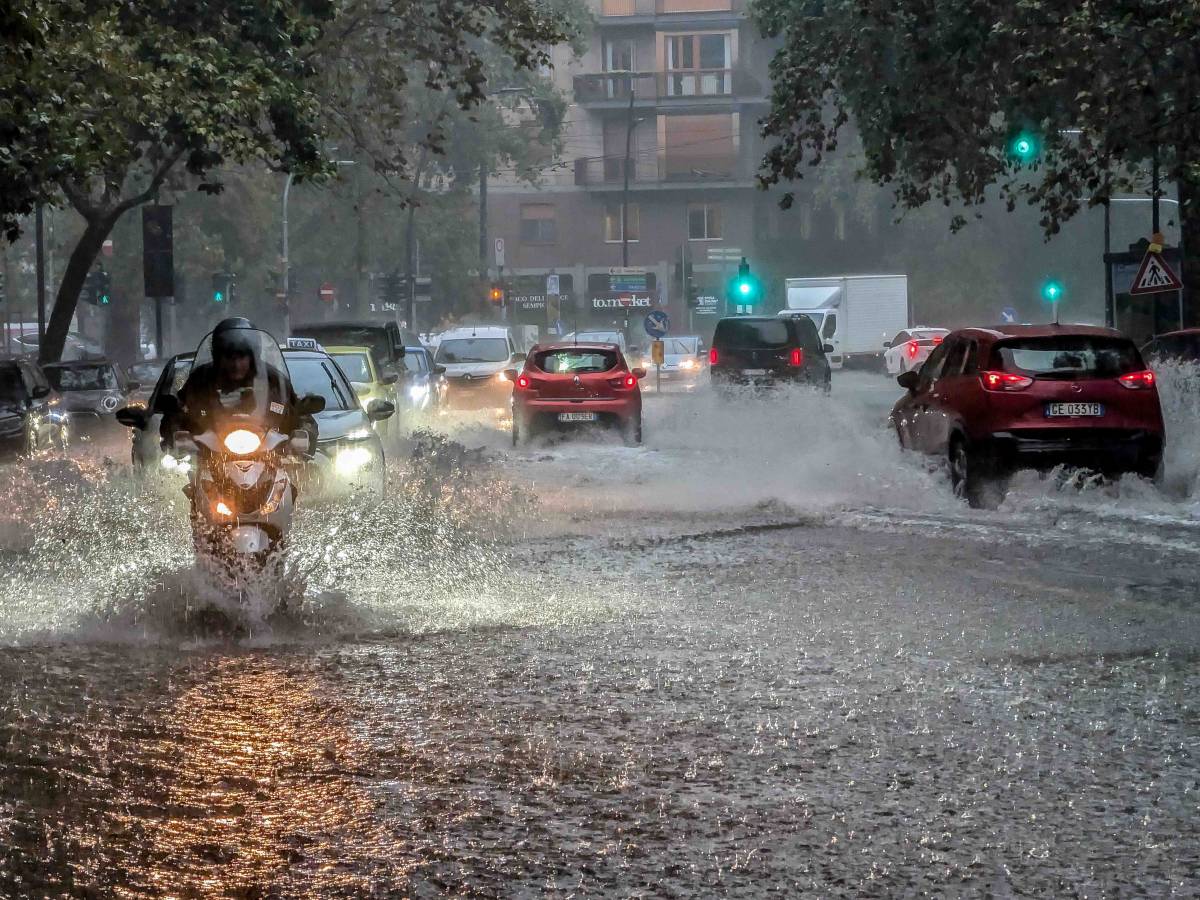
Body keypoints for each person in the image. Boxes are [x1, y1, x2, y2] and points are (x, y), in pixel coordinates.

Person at [162, 317, 315, 449]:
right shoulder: (200, 379)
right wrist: (178, 434)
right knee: (184, 481)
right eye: (229, 357)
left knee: (299, 478)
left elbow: (298, 413)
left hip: (268, 457)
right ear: (218, 357)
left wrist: (303, 434)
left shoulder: (273, 380)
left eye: (241, 357)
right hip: (210, 457)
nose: (236, 364)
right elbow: (178, 412)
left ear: (253, 356)